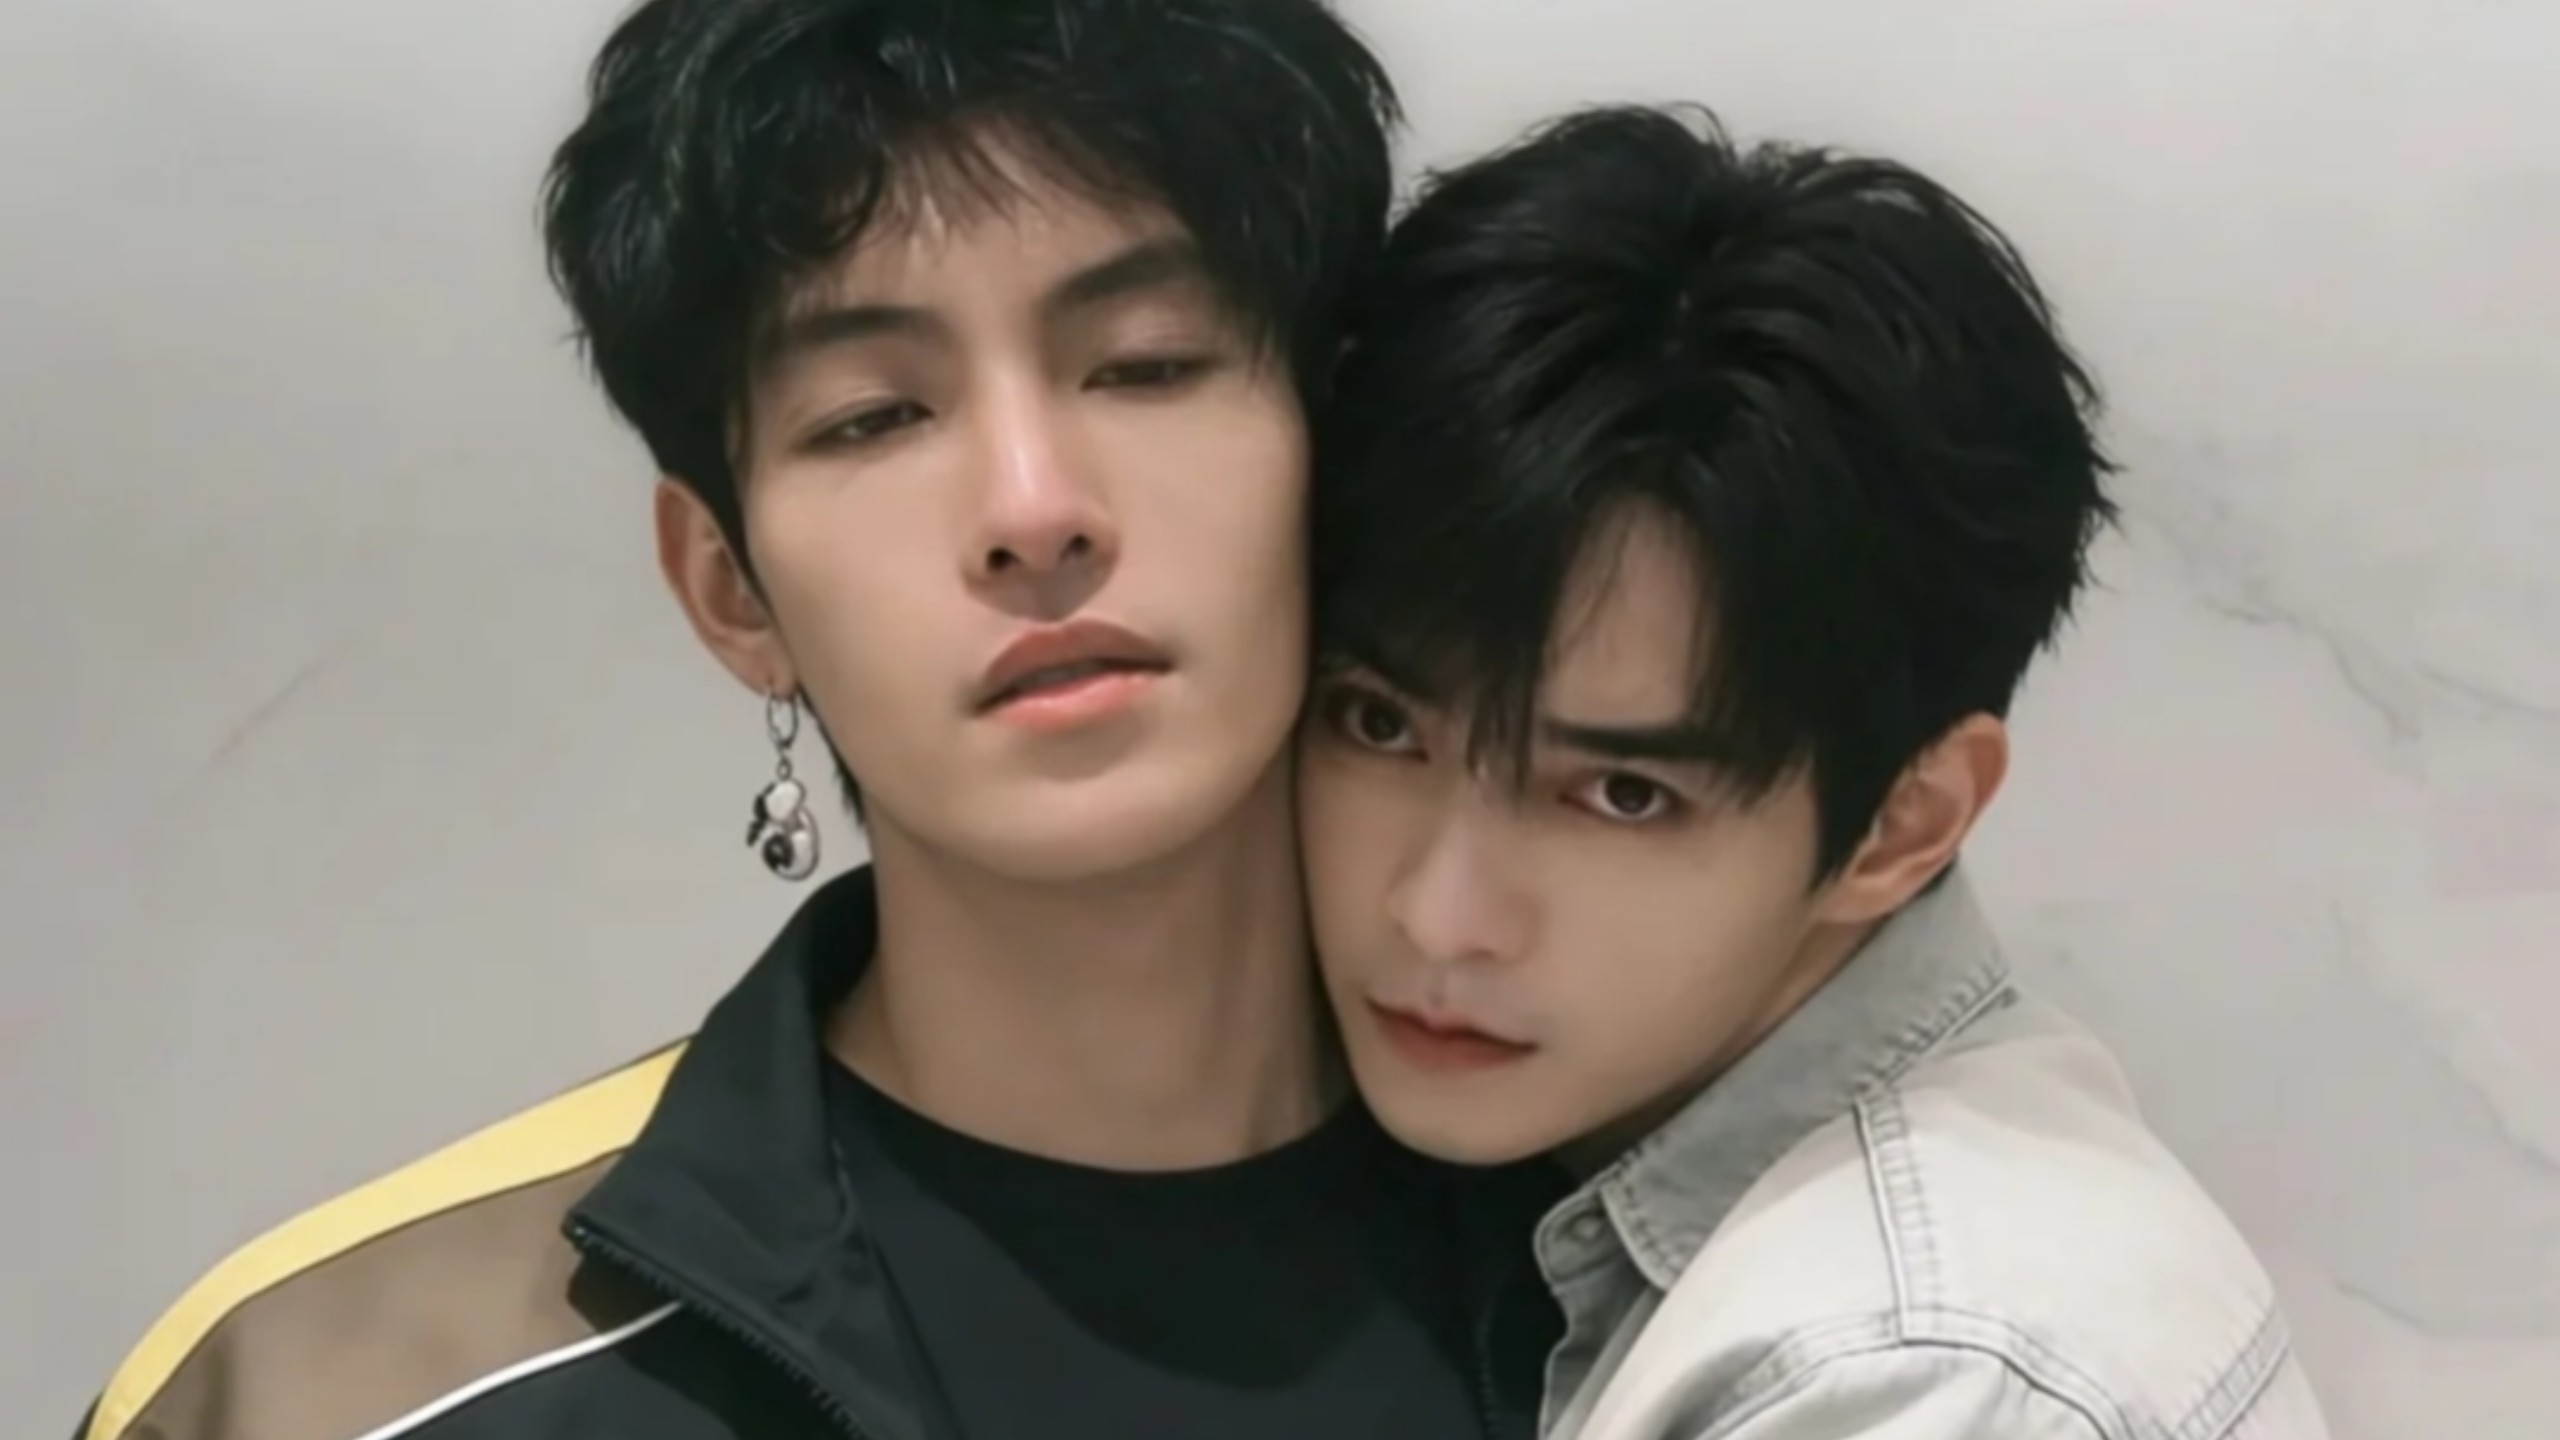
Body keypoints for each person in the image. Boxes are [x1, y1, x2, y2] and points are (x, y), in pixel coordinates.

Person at [74, 5, 1563, 1440]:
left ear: (1339, 447)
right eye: (873, 416)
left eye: (1146, 363)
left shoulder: (1659, 1281)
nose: (1033, 509)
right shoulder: (325, 1396)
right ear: (731, 590)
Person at [1299, 105, 2332, 1440]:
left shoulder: (1919, 1375)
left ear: (1904, 824)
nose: (1439, 917)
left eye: (1622, 795)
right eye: (1379, 725)